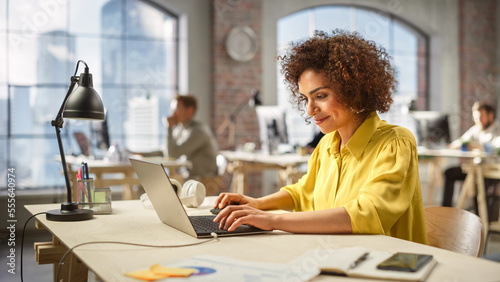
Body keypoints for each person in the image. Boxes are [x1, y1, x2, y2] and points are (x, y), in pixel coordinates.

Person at [213, 30, 428, 244]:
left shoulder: (395, 143)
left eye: (321, 96)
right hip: (338, 260)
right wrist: (258, 204)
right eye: (305, 98)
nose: (310, 110)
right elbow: (303, 193)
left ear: (353, 90)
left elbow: (367, 213)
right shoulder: (327, 145)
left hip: (386, 268)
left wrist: (273, 220)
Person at [442, 101, 500, 207]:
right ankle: (445, 210)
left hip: (491, 172)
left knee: (477, 182)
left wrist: (479, 146)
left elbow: (497, 148)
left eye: (481, 116)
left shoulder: (497, 130)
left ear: (490, 114)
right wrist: (457, 145)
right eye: (476, 118)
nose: (478, 120)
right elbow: (461, 141)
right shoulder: (476, 129)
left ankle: (479, 214)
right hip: (474, 168)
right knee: (449, 173)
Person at [165, 94, 218, 181]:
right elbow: (167, 150)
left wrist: (169, 128)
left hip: (202, 179)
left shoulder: (199, 132)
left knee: (162, 184)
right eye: (172, 110)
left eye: (176, 109)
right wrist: (141, 154)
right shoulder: (180, 129)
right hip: (187, 176)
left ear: (190, 111)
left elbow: (172, 154)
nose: (173, 114)